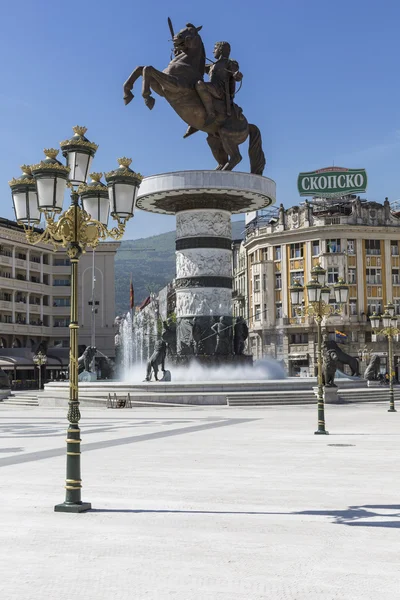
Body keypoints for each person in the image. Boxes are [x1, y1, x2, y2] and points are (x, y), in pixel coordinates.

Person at [184, 41, 243, 138]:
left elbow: (236, 74)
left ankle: (211, 114)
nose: (213, 51)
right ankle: (195, 121)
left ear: (220, 49)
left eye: (215, 48)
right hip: (212, 88)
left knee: (199, 85)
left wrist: (237, 75)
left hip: (220, 91)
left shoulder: (229, 63)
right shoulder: (212, 65)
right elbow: (196, 65)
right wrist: (185, 52)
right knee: (193, 87)